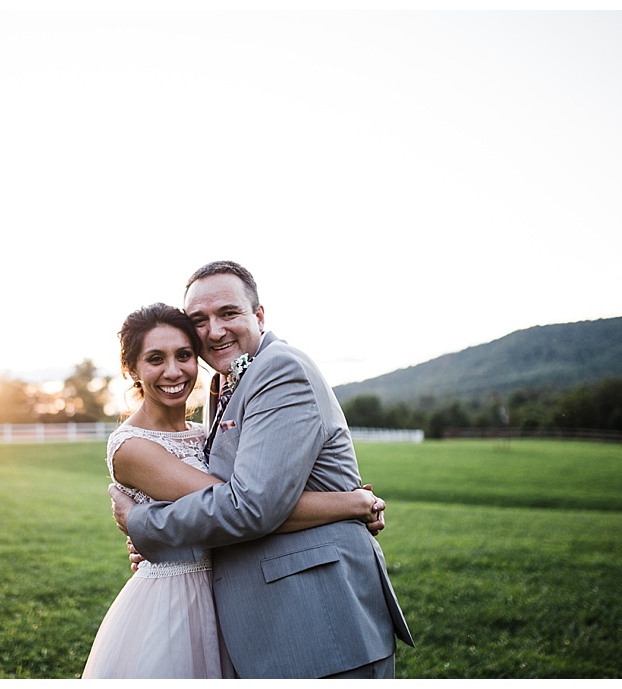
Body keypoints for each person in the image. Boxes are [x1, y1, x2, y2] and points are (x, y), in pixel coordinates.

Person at [111, 261, 414, 679]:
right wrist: (348, 504)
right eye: (200, 320)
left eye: (228, 313)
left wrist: (145, 524)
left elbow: (250, 505)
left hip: (317, 618)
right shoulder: (224, 383)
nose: (214, 330)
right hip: (262, 619)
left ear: (259, 315)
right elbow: (244, 496)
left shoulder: (279, 368)